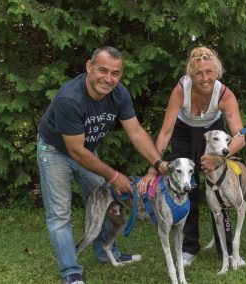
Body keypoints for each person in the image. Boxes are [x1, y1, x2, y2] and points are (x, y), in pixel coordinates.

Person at [37, 46, 168, 284]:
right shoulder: (70, 98)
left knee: (108, 202)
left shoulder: (119, 95)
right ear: (89, 67)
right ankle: (71, 272)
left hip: (85, 149)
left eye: (115, 73)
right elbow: (75, 150)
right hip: (55, 151)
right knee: (59, 214)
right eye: (103, 70)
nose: (109, 79)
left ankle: (108, 253)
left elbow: (136, 132)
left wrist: (158, 162)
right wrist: (114, 175)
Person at [138, 46, 246, 266]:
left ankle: (225, 249)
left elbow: (240, 137)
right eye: (198, 73)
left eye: (209, 72)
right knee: (186, 187)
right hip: (184, 133)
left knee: (220, 190)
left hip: (213, 131)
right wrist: (152, 169)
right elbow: (166, 132)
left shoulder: (225, 94)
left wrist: (220, 158)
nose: (204, 78)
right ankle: (189, 247)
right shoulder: (181, 89)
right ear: (190, 74)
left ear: (216, 72)